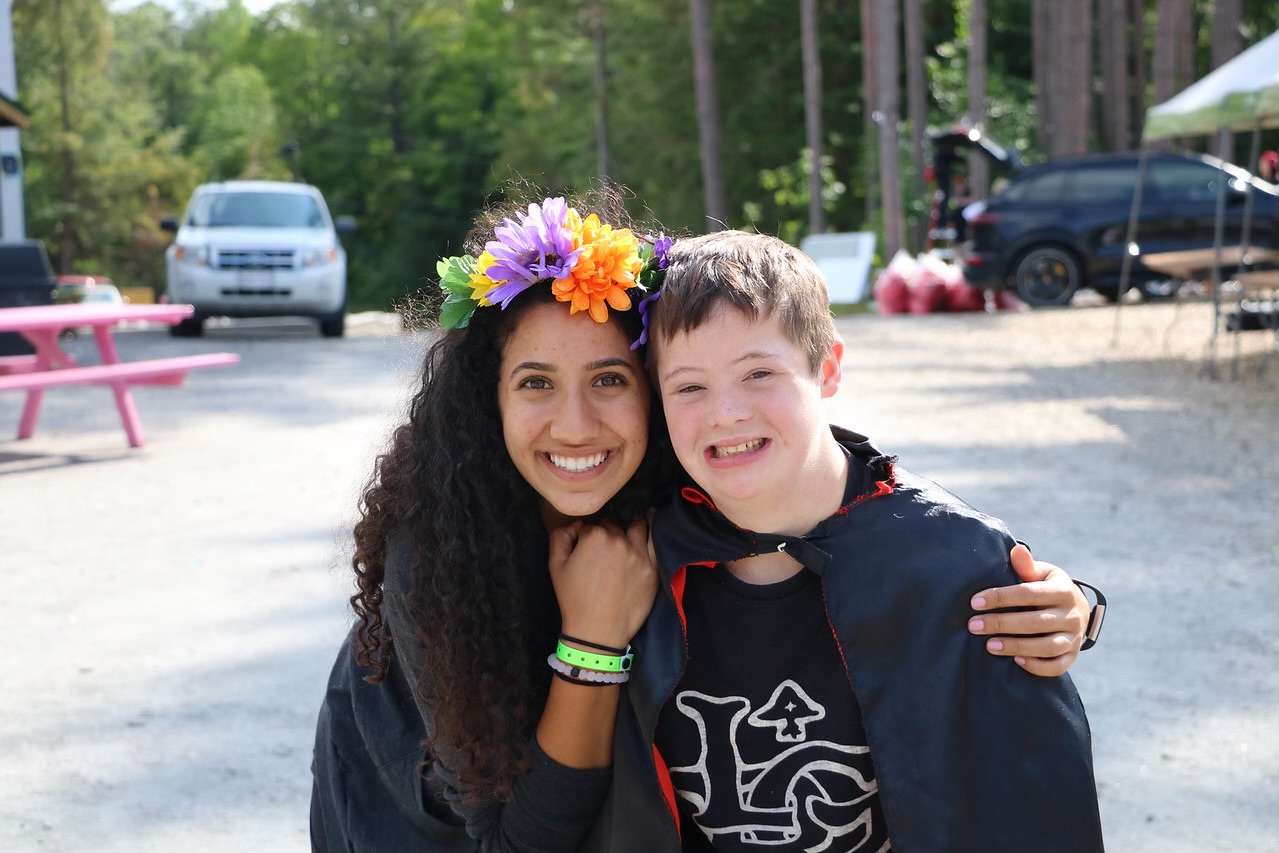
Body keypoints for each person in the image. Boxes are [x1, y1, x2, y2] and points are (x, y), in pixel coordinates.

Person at [309, 193, 1103, 852]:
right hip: (427, 819)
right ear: (490, 398)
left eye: (611, 377)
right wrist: (591, 639)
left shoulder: (678, 480)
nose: (577, 424)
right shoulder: (441, 554)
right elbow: (517, 840)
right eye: (535, 382)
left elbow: (859, 510)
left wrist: (1056, 596)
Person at [575, 230, 1103, 851]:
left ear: (826, 370)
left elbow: (1032, 802)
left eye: (758, 373)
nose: (725, 412)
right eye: (689, 387)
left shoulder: (951, 560)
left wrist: (1076, 609)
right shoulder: (632, 554)